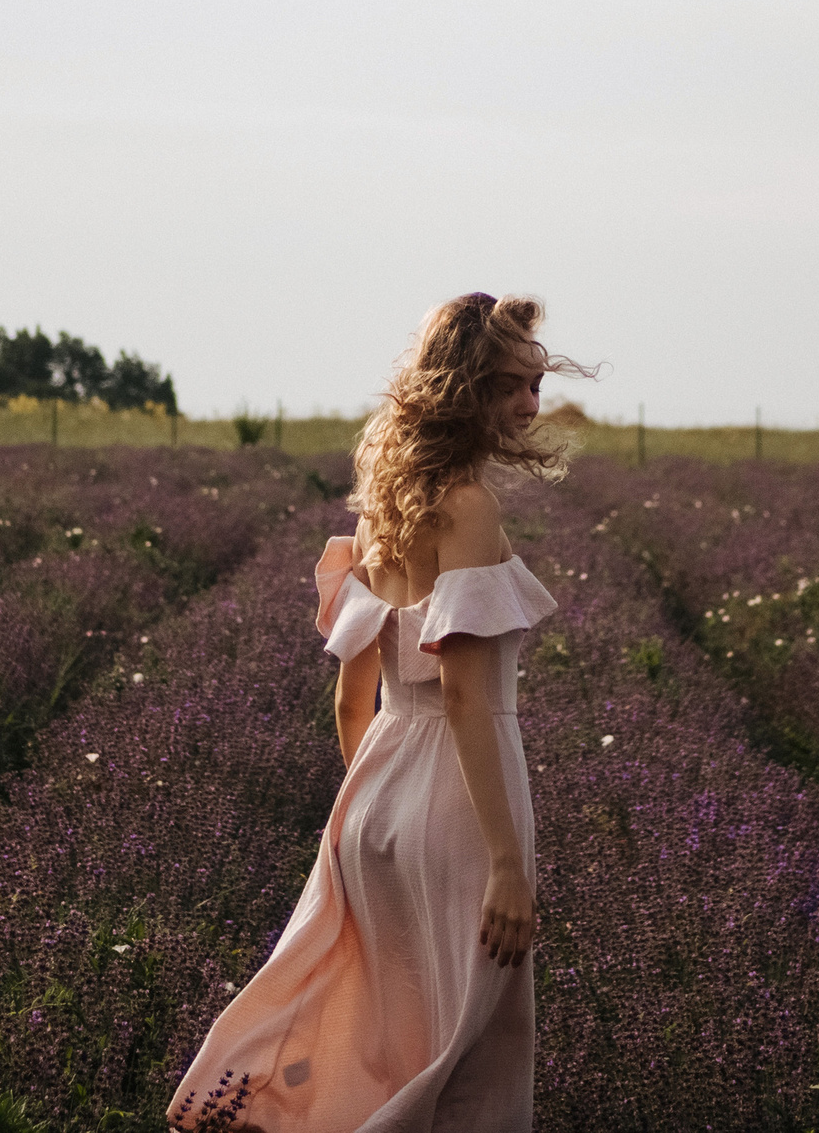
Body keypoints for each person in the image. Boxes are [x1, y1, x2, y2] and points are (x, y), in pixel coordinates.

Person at [168, 293, 592, 1133]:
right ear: (462, 386)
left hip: (374, 802)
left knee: (387, 1036)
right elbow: (467, 692)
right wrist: (507, 862)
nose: (528, 405)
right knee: (470, 1062)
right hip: (458, 809)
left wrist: (382, 798)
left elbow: (349, 699)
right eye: (509, 384)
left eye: (534, 385)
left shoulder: (384, 509)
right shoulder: (468, 507)